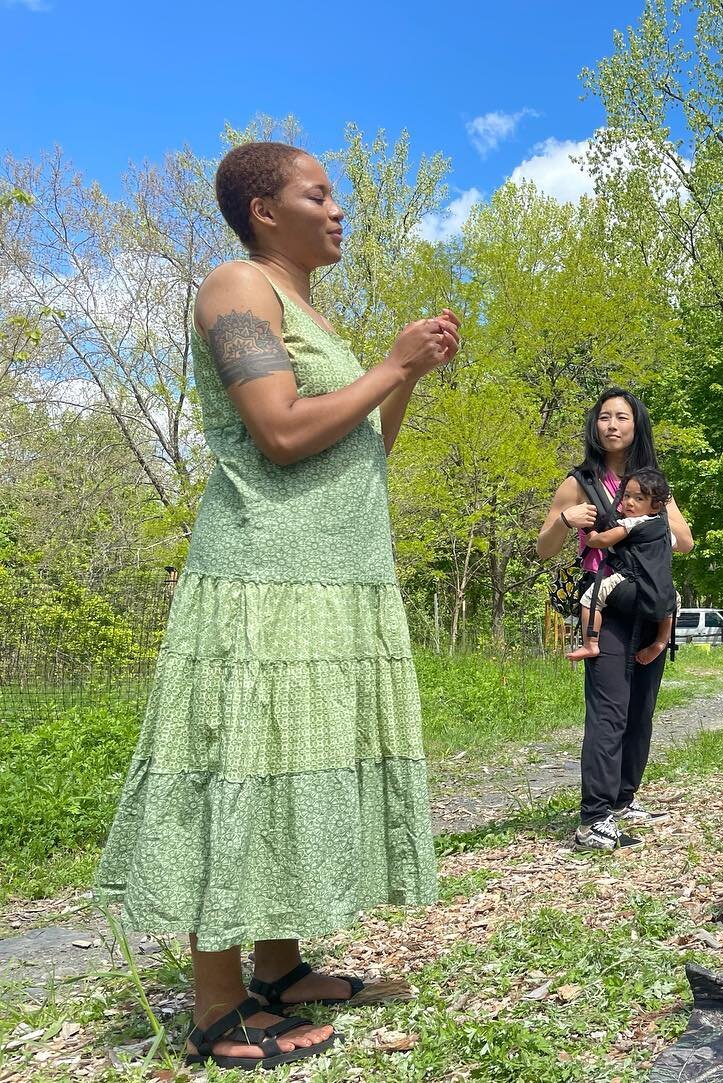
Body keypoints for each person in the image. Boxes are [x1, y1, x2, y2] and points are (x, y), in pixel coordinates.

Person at [94, 143, 457, 1069]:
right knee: (242, 769)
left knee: (299, 768)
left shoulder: (304, 306)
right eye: (318, 193)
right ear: (264, 209)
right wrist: (390, 358)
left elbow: (365, 441)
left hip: (333, 579)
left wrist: (402, 376)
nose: (339, 209)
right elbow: (283, 433)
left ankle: (282, 970)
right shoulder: (235, 286)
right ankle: (215, 1005)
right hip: (263, 582)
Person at [538, 389, 694, 851]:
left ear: (636, 425)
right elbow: (544, 548)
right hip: (605, 613)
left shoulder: (652, 485)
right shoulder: (579, 482)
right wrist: (566, 520)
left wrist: (651, 514)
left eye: (621, 417)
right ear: (594, 426)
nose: (612, 425)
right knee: (609, 712)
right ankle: (595, 817)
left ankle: (625, 798)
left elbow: (684, 542)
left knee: (641, 711)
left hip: (647, 607)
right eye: (604, 417)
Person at [566, 467, 678, 666]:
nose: (629, 502)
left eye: (639, 499)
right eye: (626, 495)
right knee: (672, 604)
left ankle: (591, 642)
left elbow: (604, 540)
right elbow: (675, 544)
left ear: (656, 506)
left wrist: (592, 538)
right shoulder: (664, 529)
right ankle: (661, 641)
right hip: (662, 588)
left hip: (631, 583)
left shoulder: (631, 524)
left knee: (590, 598)